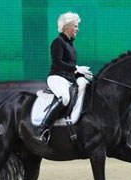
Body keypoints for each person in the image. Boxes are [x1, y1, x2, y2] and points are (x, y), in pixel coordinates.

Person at [35, 12, 93, 143]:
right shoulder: (58, 42)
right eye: (76, 26)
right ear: (68, 26)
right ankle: (43, 129)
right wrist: (76, 68)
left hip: (69, 79)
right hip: (56, 78)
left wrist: (81, 73)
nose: (78, 29)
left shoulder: (71, 44)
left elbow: (70, 66)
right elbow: (58, 62)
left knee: (85, 86)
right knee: (65, 98)